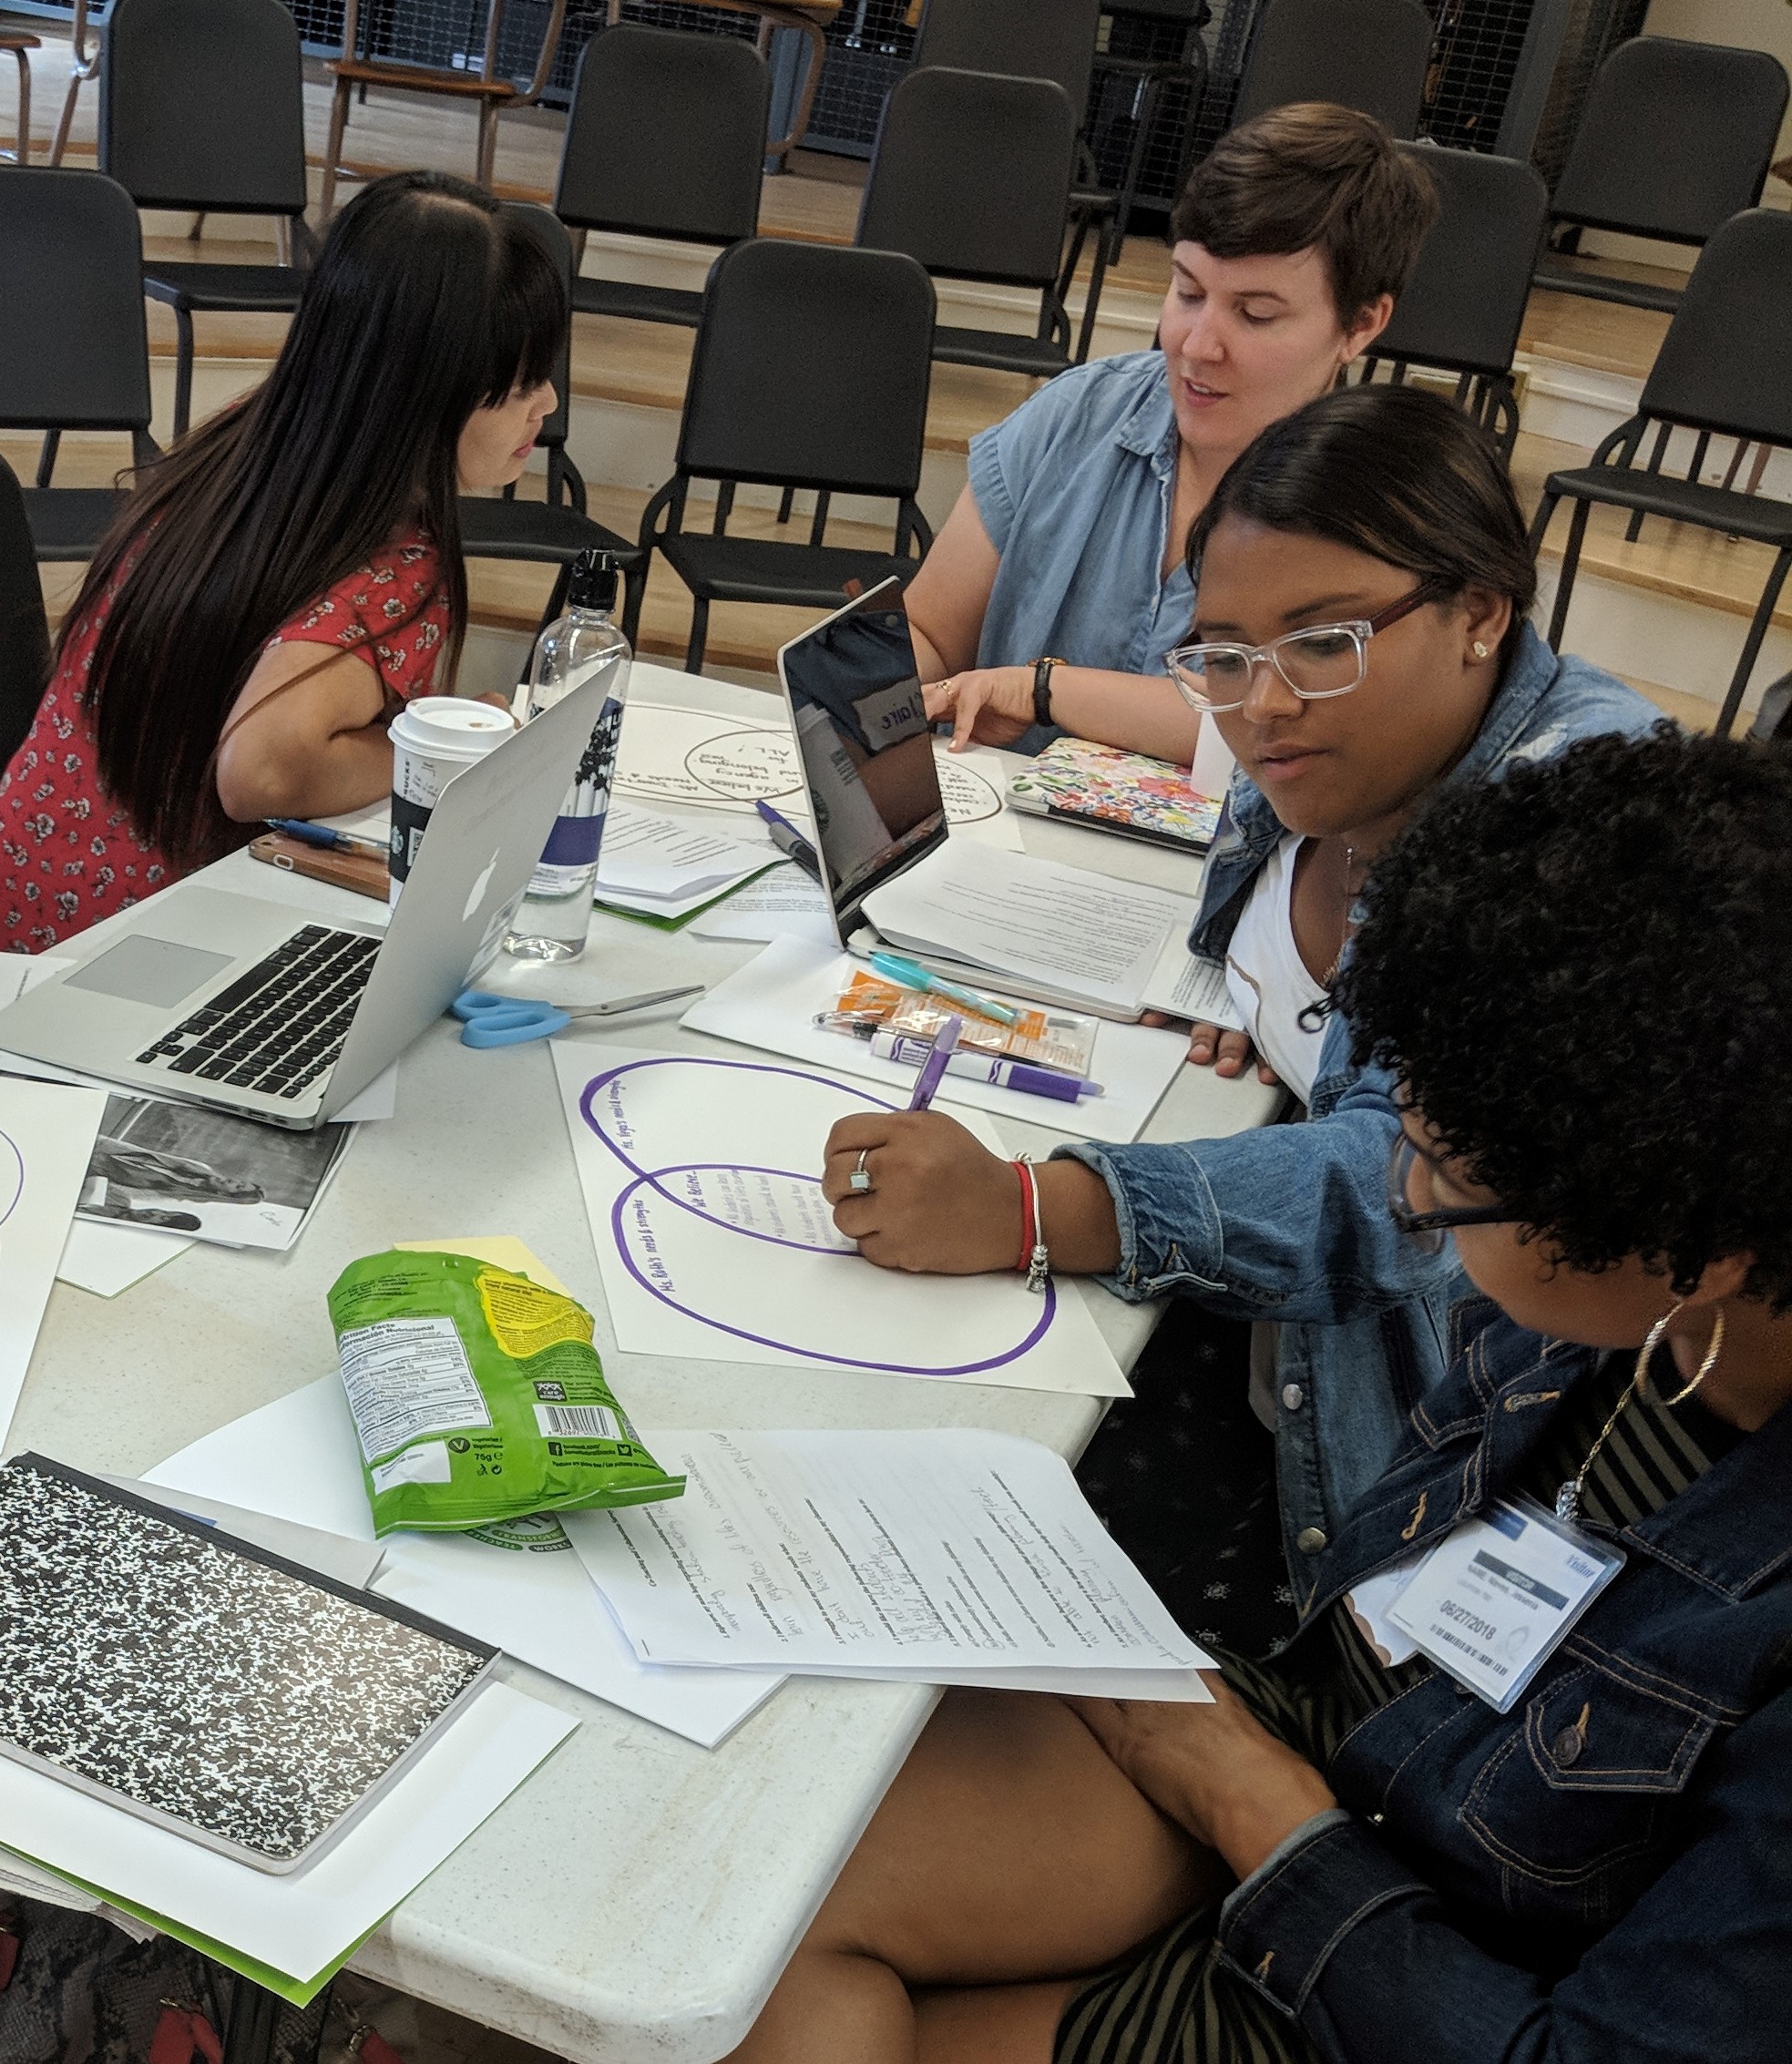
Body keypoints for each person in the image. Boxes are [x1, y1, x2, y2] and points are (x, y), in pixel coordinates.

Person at [738, 728, 1792, 2064]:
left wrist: (1246, 1801)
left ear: (1691, 1242)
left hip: (1427, 1970)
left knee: (778, 2012)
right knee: (757, 1910)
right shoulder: (1637, 1301)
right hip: (1333, 1750)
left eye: (1442, 1171)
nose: (1406, 1193)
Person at [819, 385, 1659, 1599]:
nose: (1260, 704)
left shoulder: (1565, 834)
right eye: (1221, 654)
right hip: (1257, 1328)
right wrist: (1259, 998)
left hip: (1385, 1463)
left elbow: (1408, 1196)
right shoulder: (1333, 738)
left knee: (913, 1555)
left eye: (1324, 641)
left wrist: (1033, 1208)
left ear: (1479, 610)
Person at [0, 169, 565, 951]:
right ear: (425, 393)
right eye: (516, 387)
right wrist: (449, 746)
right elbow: (260, 773)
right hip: (135, 939)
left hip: (29, 873)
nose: (547, 404)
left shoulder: (252, 440)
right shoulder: (396, 568)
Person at [910, 103, 1437, 763]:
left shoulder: (1383, 508)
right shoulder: (1078, 415)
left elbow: (1266, 730)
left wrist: (1044, 691)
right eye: (1187, 293)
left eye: (1255, 314)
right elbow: (930, 632)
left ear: (1361, 325)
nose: (1196, 345)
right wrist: (872, 690)